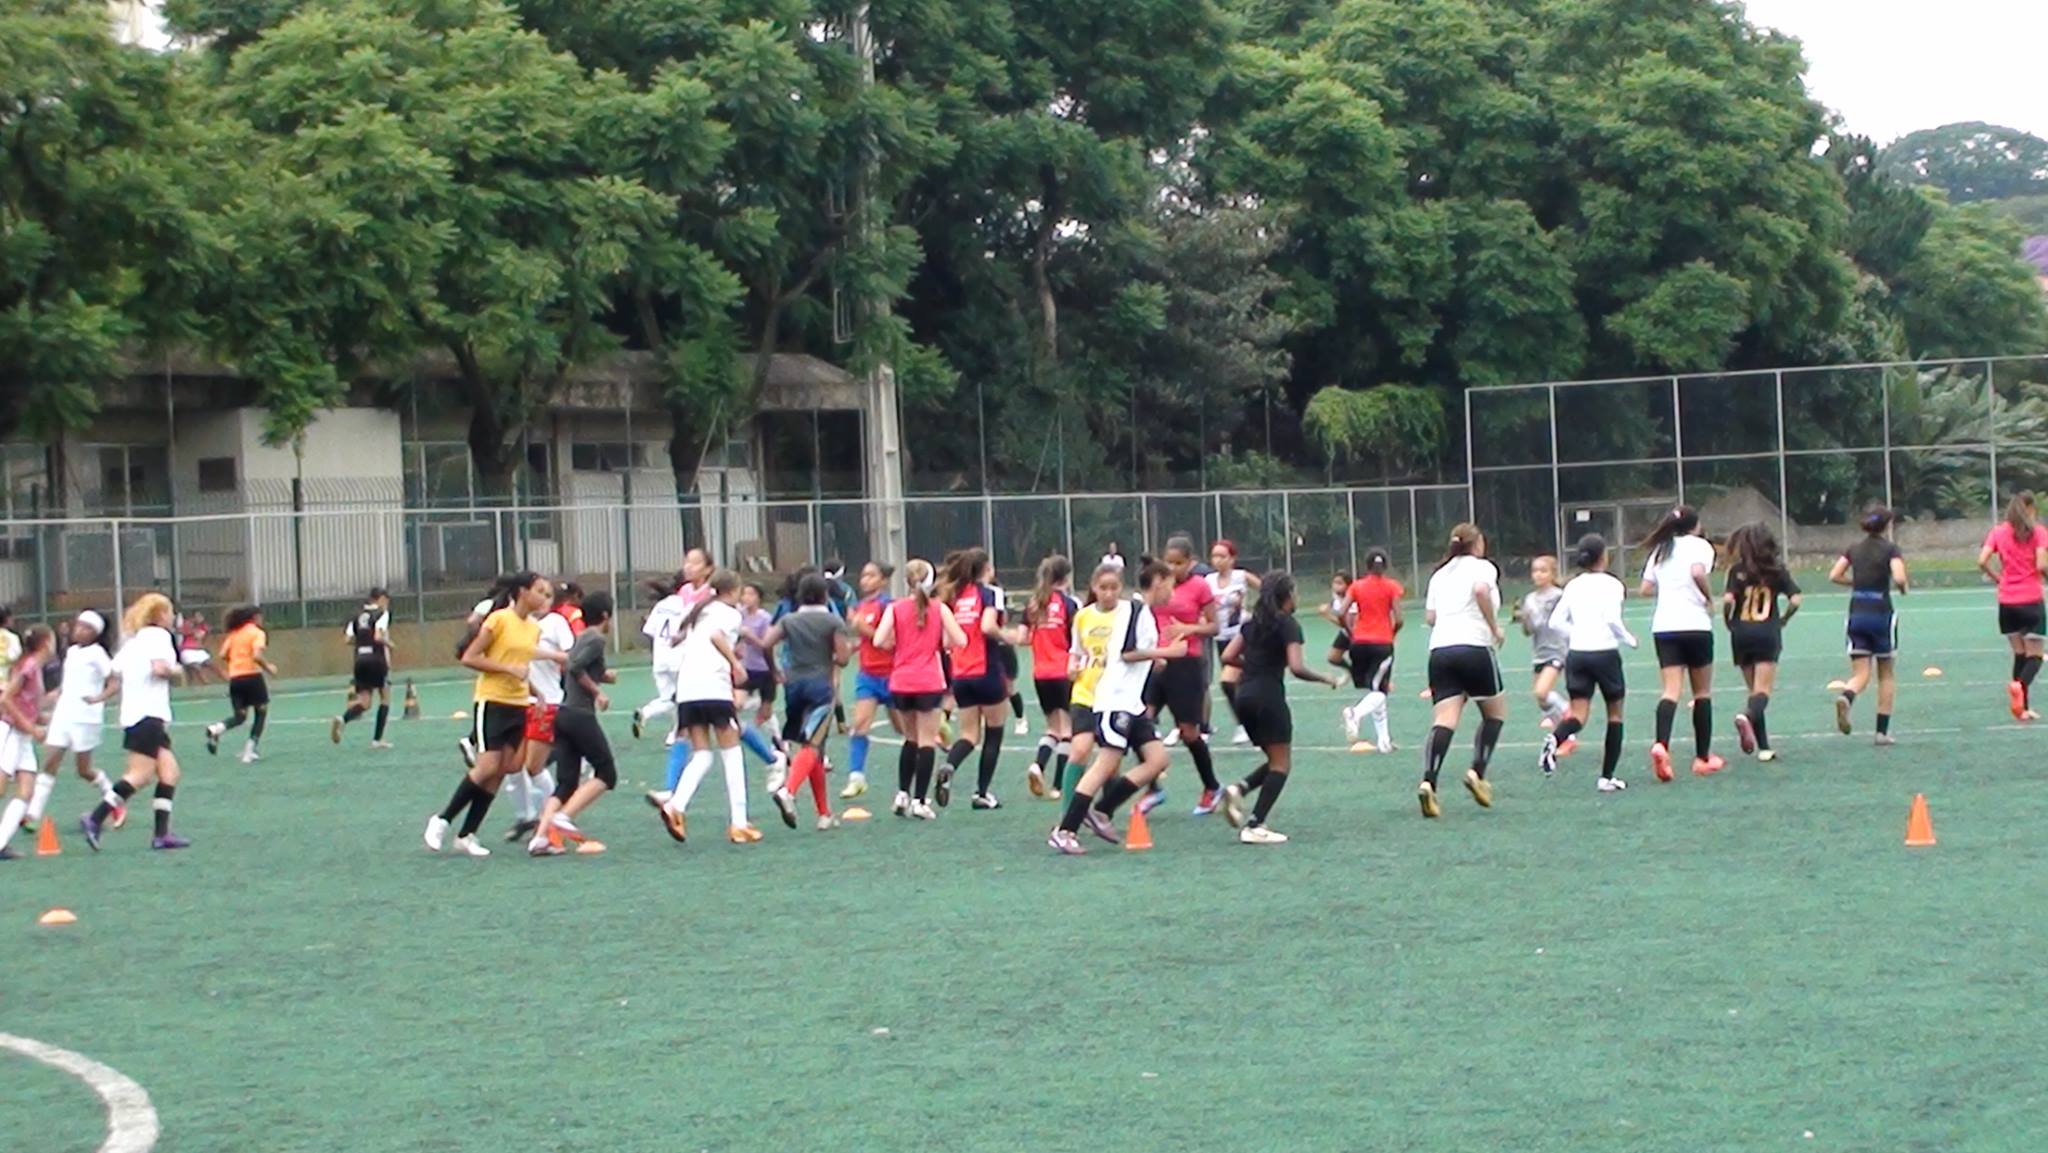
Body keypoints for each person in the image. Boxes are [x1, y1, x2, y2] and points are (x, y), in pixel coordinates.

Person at [1048, 561, 1184, 855]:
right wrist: (1167, 652)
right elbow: (1127, 653)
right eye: (1170, 585)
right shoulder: (1136, 610)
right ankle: (1065, 829)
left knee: (1157, 760)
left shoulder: (1139, 612)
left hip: (1132, 704)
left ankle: (1102, 810)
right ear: (1158, 581)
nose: (1172, 592)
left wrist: (1156, 659)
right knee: (1104, 765)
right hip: (1114, 701)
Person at [425, 572, 561, 858]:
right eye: (540, 591)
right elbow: (470, 657)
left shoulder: (533, 628)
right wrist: (509, 670)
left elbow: (520, 663)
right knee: (487, 767)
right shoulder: (499, 620)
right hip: (492, 702)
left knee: (507, 769)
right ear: (522, 592)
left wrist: (536, 693)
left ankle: (467, 834)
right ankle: (442, 820)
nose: (545, 598)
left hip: (518, 703)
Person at [1217, 572, 1343, 845]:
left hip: (1243, 698)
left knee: (1274, 760)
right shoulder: (1288, 625)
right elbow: (1296, 667)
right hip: (1268, 697)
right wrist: (1325, 678)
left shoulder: (1251, 624)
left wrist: (1252, 666)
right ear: (1286, 597)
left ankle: (1238, 789)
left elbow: (1227, 656)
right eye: (1294, 593)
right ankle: (1255, 824)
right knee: (1282, 764)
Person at [655, 571, 763, 845]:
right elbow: (715, 636)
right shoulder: (730, 614)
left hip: (687, 689)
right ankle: (739, 823)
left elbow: (680, 638)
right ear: (734, 591)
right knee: (732, 752)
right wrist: (735, 663)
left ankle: (676, 805)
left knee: (703, 755)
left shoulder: (694, 610)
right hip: (713, 687)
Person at [82, 593, 188, 851]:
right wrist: (180, 670)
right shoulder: (159, 637)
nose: (172, 616)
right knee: (139, 775)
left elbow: (116, 676)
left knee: (170, 772)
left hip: (135, 716)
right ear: (160, 614)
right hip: (149, 715)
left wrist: (98, 698)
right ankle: (95, 818)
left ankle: (161, 834)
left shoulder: (132, 642)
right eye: (169, 611)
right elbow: (160, 669)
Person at [1416, 524, 1506, 819]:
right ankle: (1476, 772)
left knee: (1445, 719)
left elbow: (1430, 617)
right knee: (1494, 714)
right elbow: (1480, 590)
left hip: (1440, 650)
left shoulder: (1439, 574)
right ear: (1477, 544)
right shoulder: (1483, 568)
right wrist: (1494, 628)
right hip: (1474, 647)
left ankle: (1429, 781)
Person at [1537, 535, 1639, 789]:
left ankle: (1555, 738)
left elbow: (1555, 622)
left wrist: (1577, 634)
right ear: (1603, 556)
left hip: (1578, 655)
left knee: (1578, 714)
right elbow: (1613, 619)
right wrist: (1629, 638)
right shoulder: (1613, 584)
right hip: (1604, 654)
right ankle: (1606, 777)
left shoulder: (1573, 586)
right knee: (1615, 715)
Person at [527, 591, 621, 856]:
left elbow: (579, 666)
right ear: (605, 617)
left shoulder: (580, 638)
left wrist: (604, 677)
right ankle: (563, 817)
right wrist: (597, 692)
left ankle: (541, 838)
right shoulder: (596, 639)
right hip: (580, 715)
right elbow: (576, 668)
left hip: (563, 713)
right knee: (606, 773)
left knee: (566, 783)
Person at [935, 549, 1027, 811]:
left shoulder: (954, 596)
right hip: (986, 670)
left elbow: (945, 640)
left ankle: (949, 765)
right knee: (994, 733)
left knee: (968, 734)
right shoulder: (990, 592)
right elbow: (988, 626)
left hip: (961, 674)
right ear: (986, 568)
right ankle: (982, 793)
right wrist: (1007, 636)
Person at [875, 558, 967, 819]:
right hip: (928, 681)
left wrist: (900, 645)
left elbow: (880, 639)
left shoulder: (895, 608)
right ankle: (920, 800)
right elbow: (960, 639)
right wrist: (941, 642)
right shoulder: (940, 609)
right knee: (927, 741)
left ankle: (902, 794)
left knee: (910, 739)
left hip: (901, 681)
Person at [762, 573, 852, 830]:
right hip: (820, 686)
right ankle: (788, 791)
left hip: (793, 685)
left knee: (813, 747)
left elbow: (766, 644)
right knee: (813, 744)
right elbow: (843, 658)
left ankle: (824, 813)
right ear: (825, 595)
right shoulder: (832, 620)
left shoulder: (789, 620)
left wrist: (775, 670)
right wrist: (835, 658)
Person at [1640, 505, 1721, 781]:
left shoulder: (1661, 549)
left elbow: (1645, 589)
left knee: (1671, 690)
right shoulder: (1701, 546)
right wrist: (1709, 599)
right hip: (1695, 625)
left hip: (1665, 627)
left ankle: (1662, 744)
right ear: (1695, 526)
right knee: (1702, 692)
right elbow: (1698, 573)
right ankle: (1702, 758)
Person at [502, 582, 579, 843]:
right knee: (511, 766)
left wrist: (550, 655)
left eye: (549, 596)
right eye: (540, 594)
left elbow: (570, 656)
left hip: (547, 703)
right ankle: (526, 816)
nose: (544, 600)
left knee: (534, 766)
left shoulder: (556, 622)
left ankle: (553, 815)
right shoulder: (515, 623)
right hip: (516, 701)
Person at [1150, 537, 1221, 813]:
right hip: (1157, 662)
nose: (1173, 567)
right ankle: (1152, 787)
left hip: (1187, 663)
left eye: (1179, 563)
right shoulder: (1158, 585)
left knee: (1189, 731)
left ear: (1191, 562)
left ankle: (1212, 787)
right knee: (1140, 721)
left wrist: (1189, 629)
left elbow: (1214, 626)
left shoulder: (1199, 586)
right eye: (1169, 562)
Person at [39, 611, 125, 830]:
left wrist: (98, 698)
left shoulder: (98, 654)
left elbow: (114, 682)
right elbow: (67, 685)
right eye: (79, 625)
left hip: (85, 718)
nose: (79, 630)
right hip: (63, 714)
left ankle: (112, 798)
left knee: (84, 770)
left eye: (86, 627)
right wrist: (51, 697)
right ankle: (31, 814)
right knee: (49, 762)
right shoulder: (71, 652)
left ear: (95, 633)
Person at [1723, 523, 1801, 763]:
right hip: (1767, 632)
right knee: (1762, 691)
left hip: (1741, 633)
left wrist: (1729, 621)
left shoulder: (1736, 571)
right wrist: (1784, 619)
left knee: (1753, 691)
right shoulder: (1777, 570)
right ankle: (1747, 718)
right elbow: (1796, 599)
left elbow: (1727, 601)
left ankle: (1764, 747)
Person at [1832, 506, 1909, 743]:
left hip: (1857, 612)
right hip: (1881, 614)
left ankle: (1848, 694)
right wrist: (1903, 588)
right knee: (1885, 673)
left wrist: (1855, 583)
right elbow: (1899, 577)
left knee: (1860, 673)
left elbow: (1834, 575)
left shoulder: (1854, 549)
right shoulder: (1890, 549)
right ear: (1887, 526)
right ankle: (1881, 732)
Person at [632, 548, 714, 740]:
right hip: (681, 658)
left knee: (669, 698)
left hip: (660, 659)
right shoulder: (696, 598)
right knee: (681, 698)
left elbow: (649, 631)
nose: (689, 566)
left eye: (695, 563)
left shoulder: (665, 603)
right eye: (687, 562)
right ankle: (677, 733)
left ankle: (649, 714)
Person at [1979, 493, 2048, 720]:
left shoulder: (1998, 532)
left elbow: (1981, 561)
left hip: (2007, 602)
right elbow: (2041, 564)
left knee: (2020, 654)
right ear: (2029, 509)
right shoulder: (2038, 532)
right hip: (2030, 599)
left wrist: (1999, 578)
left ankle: (2022, 708)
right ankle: (2020, 686)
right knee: (2036, 656)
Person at [1061, 565, 1123, 805]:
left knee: (1110, 758)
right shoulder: (1083, 616)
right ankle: (1068, 813)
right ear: (1094, 587)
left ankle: (1104, 811)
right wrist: (1072, 666)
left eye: (1114, 587)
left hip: (1115, 696)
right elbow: (1075, 652)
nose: (1108, 593)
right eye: (1103, 588)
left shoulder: (1127, 614)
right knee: (1080, 750)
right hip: (1085, 693)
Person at [1338, 548, 1402, 753]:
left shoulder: (1356, 586)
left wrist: (1351, 631)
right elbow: (1399, 619)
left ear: (1366, 566)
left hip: (1359, 644)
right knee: (1380, 692)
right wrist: (1391, 633)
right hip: (1381, 643)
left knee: (1377, 688)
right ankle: (1355, 713)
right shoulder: (1392, 587)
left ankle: (1384, 741)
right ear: (1385, 566)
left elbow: (1341, 612)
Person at [842, 561, 896, 799]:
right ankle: (856, 777)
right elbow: (867, 641)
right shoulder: (861, 606)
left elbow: (889, 642)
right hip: (868, 675)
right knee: (859, 726)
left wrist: (862, 628)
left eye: (871, 575)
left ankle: (933, 745)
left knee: (905, 729)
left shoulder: (889, 606)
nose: (865, 580)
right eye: (863, 575)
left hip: (893, 675)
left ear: (883, 581)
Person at [1026, 556, 1078, 799]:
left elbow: (1025, 637)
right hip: (1063, 671)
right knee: (1068, 729)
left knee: (1052, 727)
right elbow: (1077, 639)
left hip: (1040, 673)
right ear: (1066, 577)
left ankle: (1038, 765)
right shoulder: (1069, 604)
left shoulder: (1035, 603)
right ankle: (1058, 785)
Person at [0, 625, 54, 859]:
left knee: (26, 789)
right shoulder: (30, 666)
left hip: (21, 734)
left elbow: (32, 707)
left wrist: (54, 717)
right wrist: (32, 729)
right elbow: (7, 699)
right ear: (45, 643)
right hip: (10, 731)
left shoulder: (35, 667)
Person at [1206, 540, 1263, 746]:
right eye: (1214, 556)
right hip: (1221, 637)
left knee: (1232, 681)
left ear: (1232, 558)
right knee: (1231, 685)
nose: (1218, 560)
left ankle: (1249, 724)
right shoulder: (1208, 581)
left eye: (1222, 556)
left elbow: (1268, 589)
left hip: (1242, 636)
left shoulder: (1241, 576)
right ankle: (1245, 723)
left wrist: (1256, 614)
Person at [206, 606, 277, 763]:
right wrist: (269, 667)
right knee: (261, 713)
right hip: (253, 677)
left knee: (240, 716)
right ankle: (249, 751)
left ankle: (216, 729)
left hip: (236, 679)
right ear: (254, 618)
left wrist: (237, 662)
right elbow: (257, 656)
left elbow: (223, 654)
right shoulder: (257, 633)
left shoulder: (234, 634)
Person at [333, 589, 395, 749]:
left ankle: (343, 719)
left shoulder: (356, 615)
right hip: (376, 660)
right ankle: (377, 739)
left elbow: (347, 640)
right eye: (386, 600)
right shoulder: (382, 613)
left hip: (360, 660)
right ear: (380, 599)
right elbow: (378, 637)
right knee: (385, 697)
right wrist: (389, 644)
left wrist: (362, 643)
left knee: (365, 703)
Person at [1517, 556, 1569, 728]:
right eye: (1535, 571)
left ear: (1552, 574)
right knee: (1542, 700)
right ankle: (1567, 735)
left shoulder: (1560, 596)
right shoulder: (1530, 599)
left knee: (1542, 691)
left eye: (1543, 571)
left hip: (1557, 650)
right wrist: (1525, 619)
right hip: (1540, 652)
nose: (1538, 575)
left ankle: (1568, 710)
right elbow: (1529, 631)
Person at [1319, 572, 1354, 672]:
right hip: (1346, 633)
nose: (1335, 586)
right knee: (1333, 658)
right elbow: (1334, 602)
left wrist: (1327, 615)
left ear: (1348, 585)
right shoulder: (1336, 597)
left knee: (1360, 659)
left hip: (1357, 634)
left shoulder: (1352, 600)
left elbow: (1346, 624)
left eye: (1340, 583)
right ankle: (1351, 671)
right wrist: (1327, 606)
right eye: (1334, 582)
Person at [177, 611, 220, 685]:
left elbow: (203, 634)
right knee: (196, 667)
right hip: (187, 650)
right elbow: (181, 631)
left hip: (199, 650)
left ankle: (228, 681)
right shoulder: (186, 624)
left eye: (200, 616)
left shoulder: (203, 626)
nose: (200, 618)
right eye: (197, 616)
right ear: (193, 617)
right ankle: (207, 685)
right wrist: (192, 630)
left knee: (213, 665)